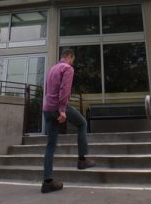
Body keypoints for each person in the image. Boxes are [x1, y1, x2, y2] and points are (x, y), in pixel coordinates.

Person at [41, 48, 95, 193]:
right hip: (58, 107)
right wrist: (63, 109)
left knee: (50, 145)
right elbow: (65, 90)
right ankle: (82, 160)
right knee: (82, 123)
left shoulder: (52, 69)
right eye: (73, 59)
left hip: (47, 108)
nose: (72, 62)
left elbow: (46, 90)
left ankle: (47, 182)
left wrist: (50, 107)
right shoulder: (67, 68)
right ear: (69, 57)